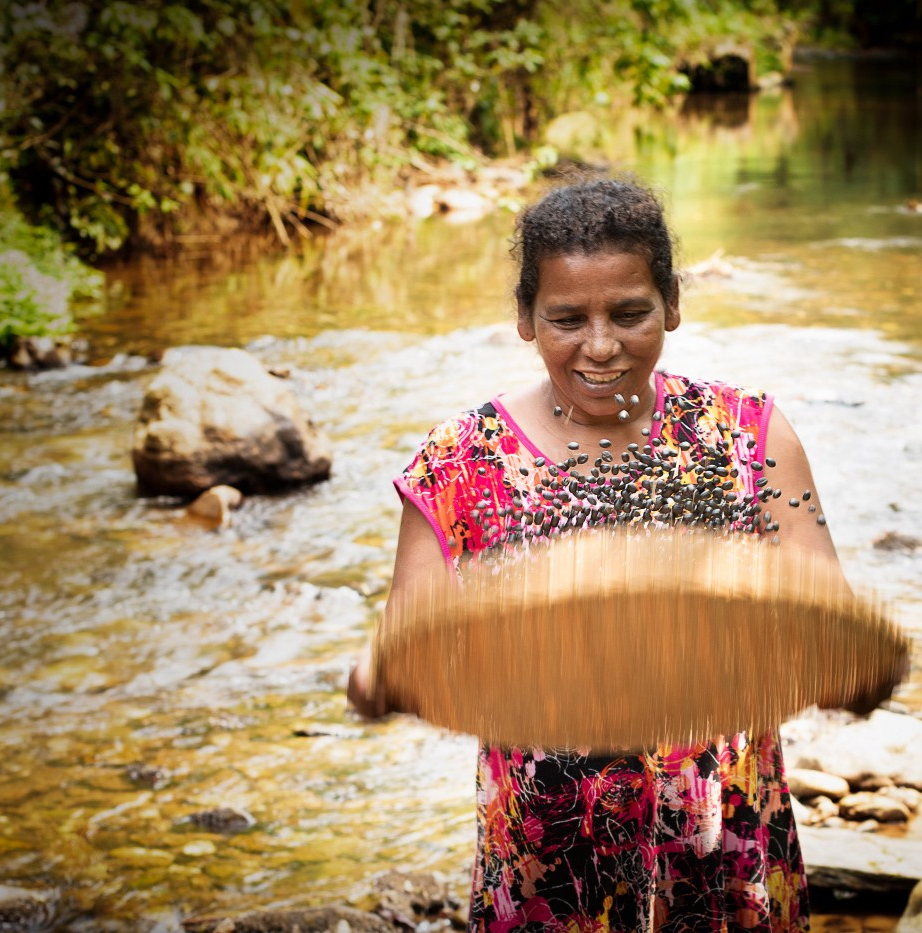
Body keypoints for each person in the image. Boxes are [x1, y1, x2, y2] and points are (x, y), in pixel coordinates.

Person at [350, 176, 858, 932]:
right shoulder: (461, 462)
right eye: (566, 318)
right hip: (550, 856)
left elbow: (828, 612)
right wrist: (387, 677)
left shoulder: (749, 436)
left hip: (722, 836)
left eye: (629, 313)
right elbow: (409, 646)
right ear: (525, 318)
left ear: (673, 305)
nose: (599, 345)